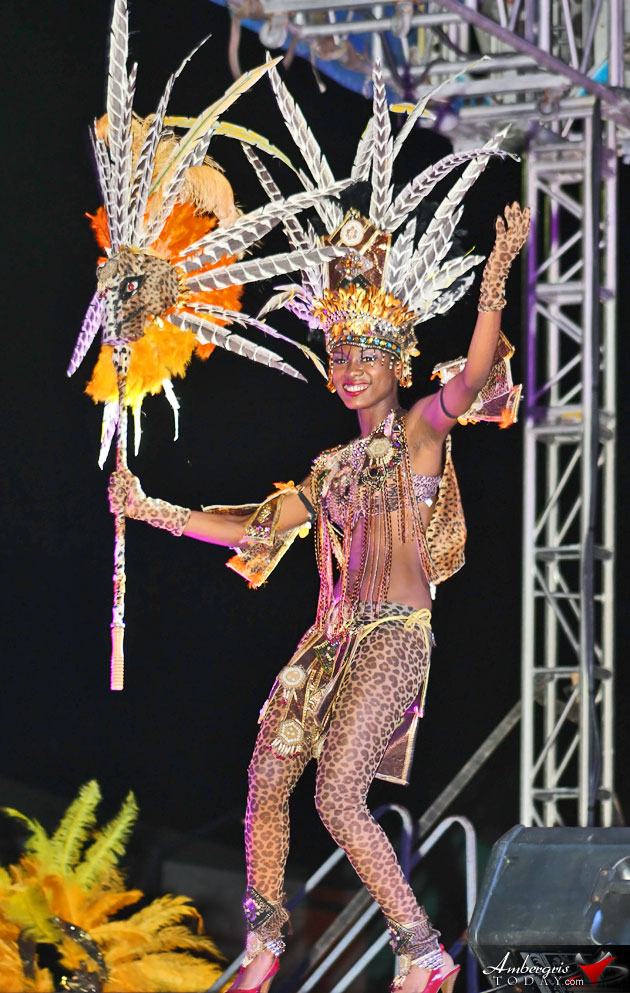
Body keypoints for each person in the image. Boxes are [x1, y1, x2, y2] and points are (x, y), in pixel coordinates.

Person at [109, 195, 530, 993]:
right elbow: (254, 528)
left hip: (395, 634)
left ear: (397, 359)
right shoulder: (331, 469)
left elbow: (474, 376)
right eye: (340, 354)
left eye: (367, 352)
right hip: (329, 639)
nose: (351, 367)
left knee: (339, 792)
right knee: (266, 779)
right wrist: (150, 508)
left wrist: (496, 280)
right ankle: (264, 939)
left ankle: (422, 948)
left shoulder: (419, 433)